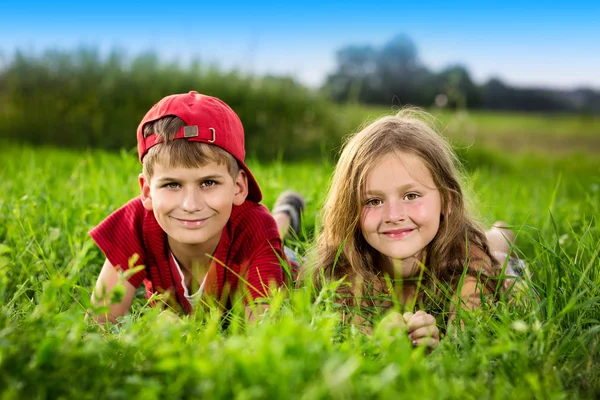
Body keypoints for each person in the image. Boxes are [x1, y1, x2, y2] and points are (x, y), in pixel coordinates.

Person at [297, 109, 519, 350]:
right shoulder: (343, 265)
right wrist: (377, 337)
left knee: (495, 247)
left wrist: (438, 342)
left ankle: (501, 233)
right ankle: (288, 210)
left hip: (466, 248)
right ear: (350, 209)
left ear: (447, 200)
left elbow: (468, 333)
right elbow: (352, 329)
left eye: (411, 195)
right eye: (373, 201)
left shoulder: (467, 261)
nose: (393, 216)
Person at [88, 91, 287, 325]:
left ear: (238, 186)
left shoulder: (255, 226)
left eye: (209, 183)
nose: (190, 205)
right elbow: (98, 325)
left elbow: (264, 332)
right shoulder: (136, 223)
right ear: (147, 191)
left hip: (272, 249)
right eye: (172, 184)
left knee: (280, 234)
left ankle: (286, 211)